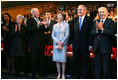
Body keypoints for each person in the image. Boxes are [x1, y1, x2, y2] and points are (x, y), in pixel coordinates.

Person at [70, 5, 93, 79]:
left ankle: (85, 76)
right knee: (75, 61)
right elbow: (72, 33)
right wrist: (71, 42)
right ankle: (76, 76)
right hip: (76, 45)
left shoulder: (89, 20)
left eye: (80, 9)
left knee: (85, 62)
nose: (79, 11)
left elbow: (90, 33)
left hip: (85, 45)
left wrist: (90, 44)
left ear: (85, 11)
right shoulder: (74, 20)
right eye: (78, 9)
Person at [91, 7, 114, 79]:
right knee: (97, 67)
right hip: (97, 46)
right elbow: (91, 33)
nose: (102, 13)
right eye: (100, 12)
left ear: (107, 13)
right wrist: (97, 30)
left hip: (106, 47)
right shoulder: (95, 21)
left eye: (103, 12)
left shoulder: (110, 22)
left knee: (106, 66)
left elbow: (111, 33)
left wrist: (102, 29)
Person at [26, 8, 45, 78]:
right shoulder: (29, 20)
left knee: (41, 59)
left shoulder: (41, 19)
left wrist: (46, 25)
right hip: (33, 43)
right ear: (32, 13)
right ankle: (33, 74)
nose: (38, 13)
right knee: (33, 60)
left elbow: (46, 30)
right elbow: (29, 31)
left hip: (41, 43)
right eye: (36, 12)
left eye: (38, 12)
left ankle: (41, 73)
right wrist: (37, 25)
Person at [51, 11, 69, 79]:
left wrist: (62, 42)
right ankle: (59, 74)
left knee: (63, 61)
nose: (58, 16)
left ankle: (63, 74)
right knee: (57, 60)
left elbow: (67, 35)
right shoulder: (54, 25)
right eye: (58, 15)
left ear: (63, 17)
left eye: (60, 15)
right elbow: (52, 35)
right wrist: (57, 41)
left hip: (63, 45)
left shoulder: (66, 25)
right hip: (56, 44)